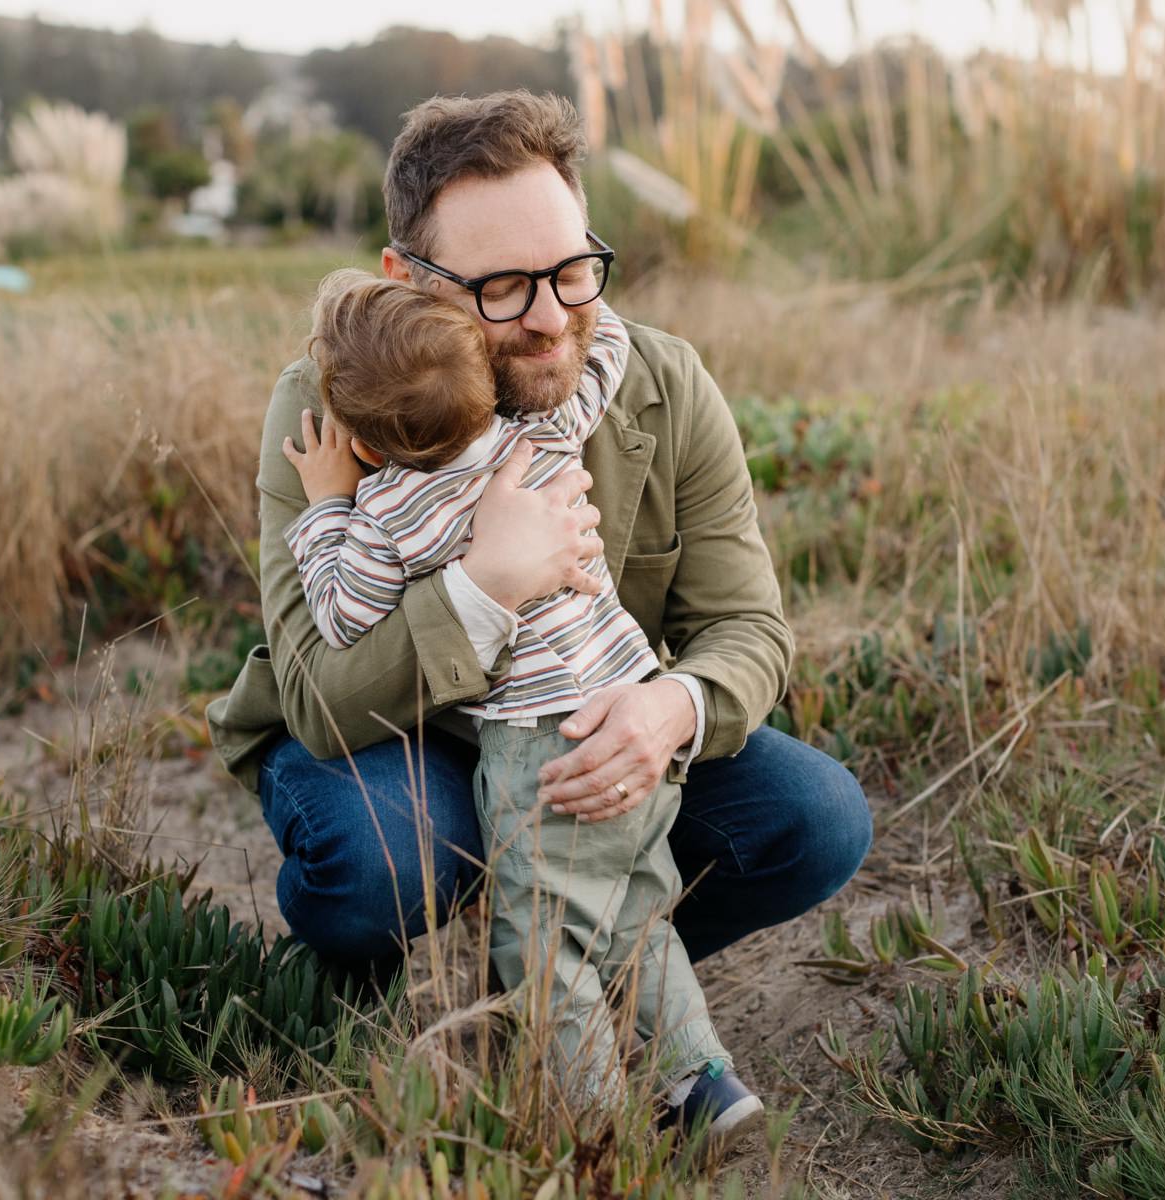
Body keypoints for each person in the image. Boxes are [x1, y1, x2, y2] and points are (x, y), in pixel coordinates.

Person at [204, 85, 873, 1101]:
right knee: (386, 858)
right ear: (405, 278)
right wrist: (484, 586)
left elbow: (747, 628)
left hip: (576, 731)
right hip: (402, 738)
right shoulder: (332, 404)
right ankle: (390, 981)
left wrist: (664, 711)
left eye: (572, 271)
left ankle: (558, 963)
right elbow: (316, 694)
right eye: (505, 287)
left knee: (814, 816)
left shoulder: (656, 379)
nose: (552, 317)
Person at [278, 268, 761, 1134]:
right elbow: (603, 368)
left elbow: (344, 610)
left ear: (368, 442)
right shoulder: (541, 438)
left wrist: (327, 507)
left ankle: (594, 1125)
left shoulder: (387, 509)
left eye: (564, 272)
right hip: (625, 702)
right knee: (637, 913)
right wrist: (591, 314)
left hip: (544, 742)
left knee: (544, 944)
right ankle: (707, 1082)